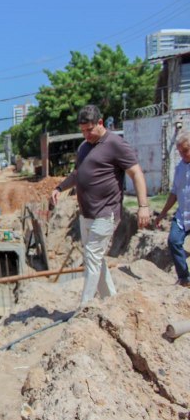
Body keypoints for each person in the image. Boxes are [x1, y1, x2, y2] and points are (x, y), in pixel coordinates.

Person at [50, 104, 150, 310]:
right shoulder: (84, 147)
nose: (86, 134)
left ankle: (84, 307)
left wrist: (143, 206)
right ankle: (111, 301)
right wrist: (60, 187)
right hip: (86, 213)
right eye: (83, 131)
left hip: (106, 213)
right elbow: (77, 174)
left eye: (90, 130)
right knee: (95, 258)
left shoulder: (115, 144)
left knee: (92, 258)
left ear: (100, 123)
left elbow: (136, 173)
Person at [154, 131, 190, 286]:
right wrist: (162, 214)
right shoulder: (179, 168)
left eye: (185, 151)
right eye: (180, 152)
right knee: (174, 240)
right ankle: (184, 278)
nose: (183, 155)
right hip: (183, 215)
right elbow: (174, 193)